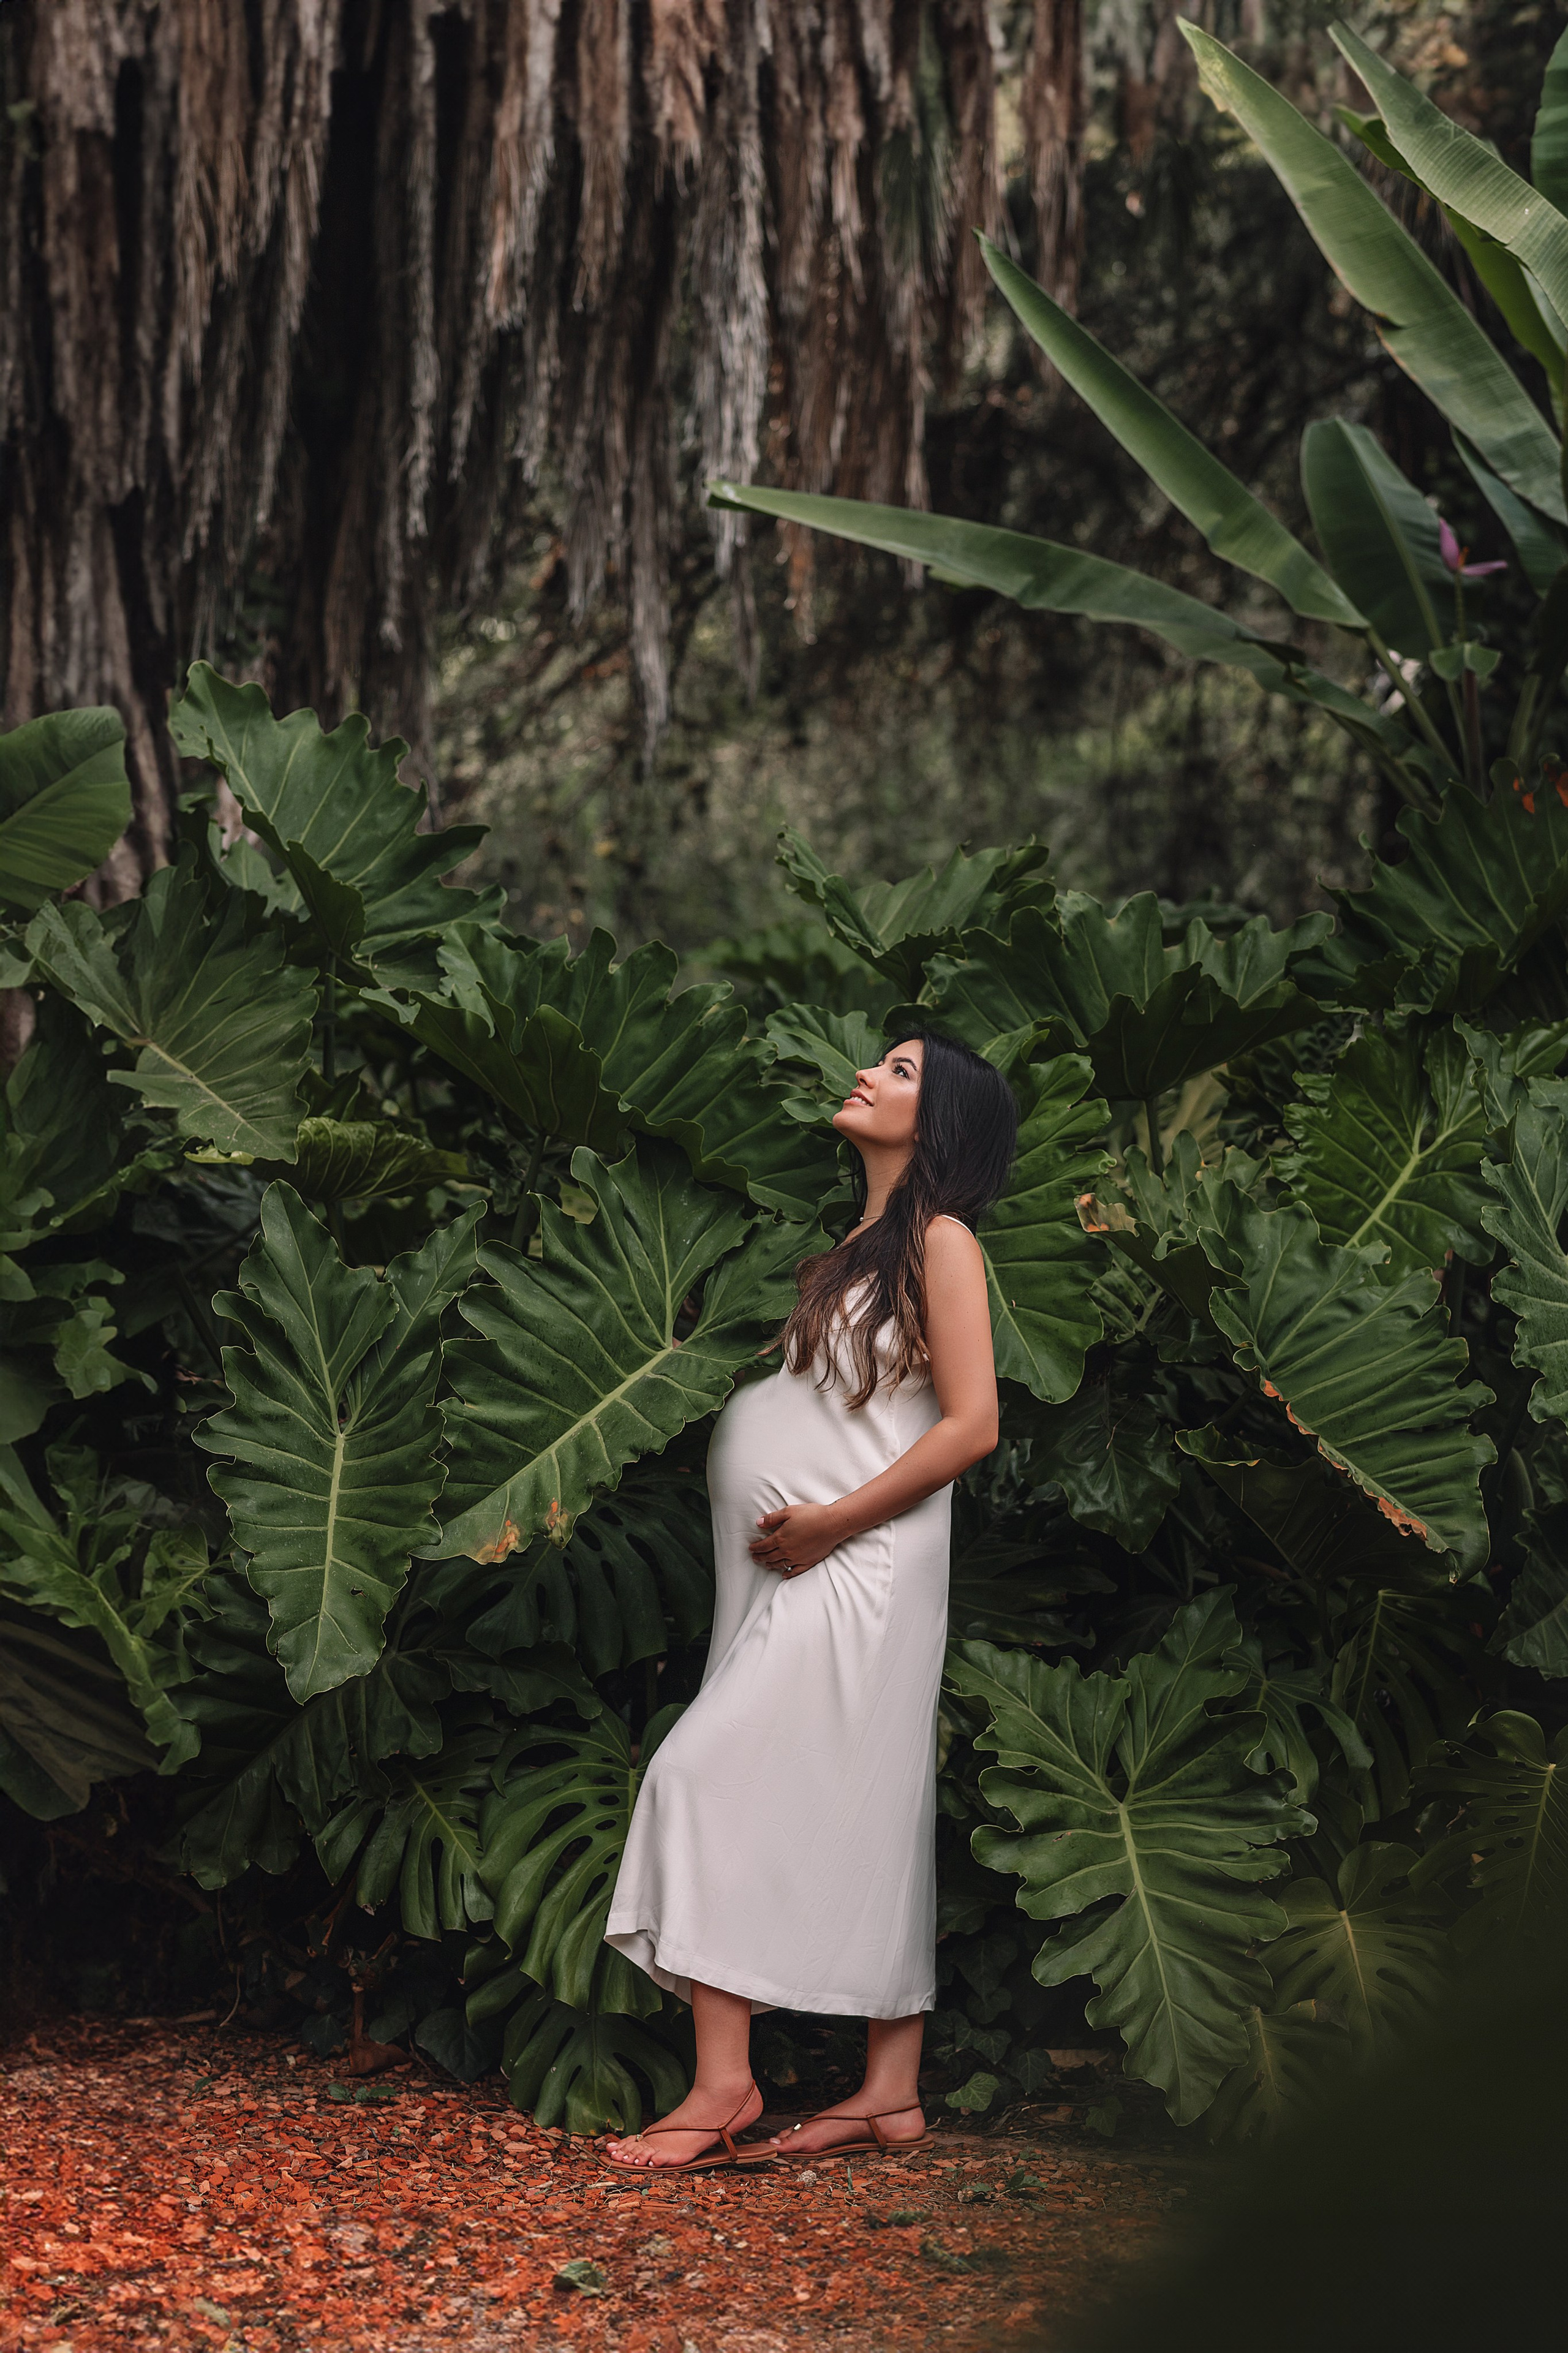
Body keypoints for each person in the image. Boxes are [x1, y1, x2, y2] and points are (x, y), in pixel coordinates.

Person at [601, 1030, 1019, 2172]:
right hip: (807, 1563)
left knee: (700, 1771)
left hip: (862, 1564)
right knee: (869, 1797)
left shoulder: (944, 1240)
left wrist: (834, 1520)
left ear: (937, 1122)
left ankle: (726, 2083)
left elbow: (972, 1423)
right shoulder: (863, 1244)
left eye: (900, 1070)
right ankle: (890, 2090)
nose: (869, 1074)